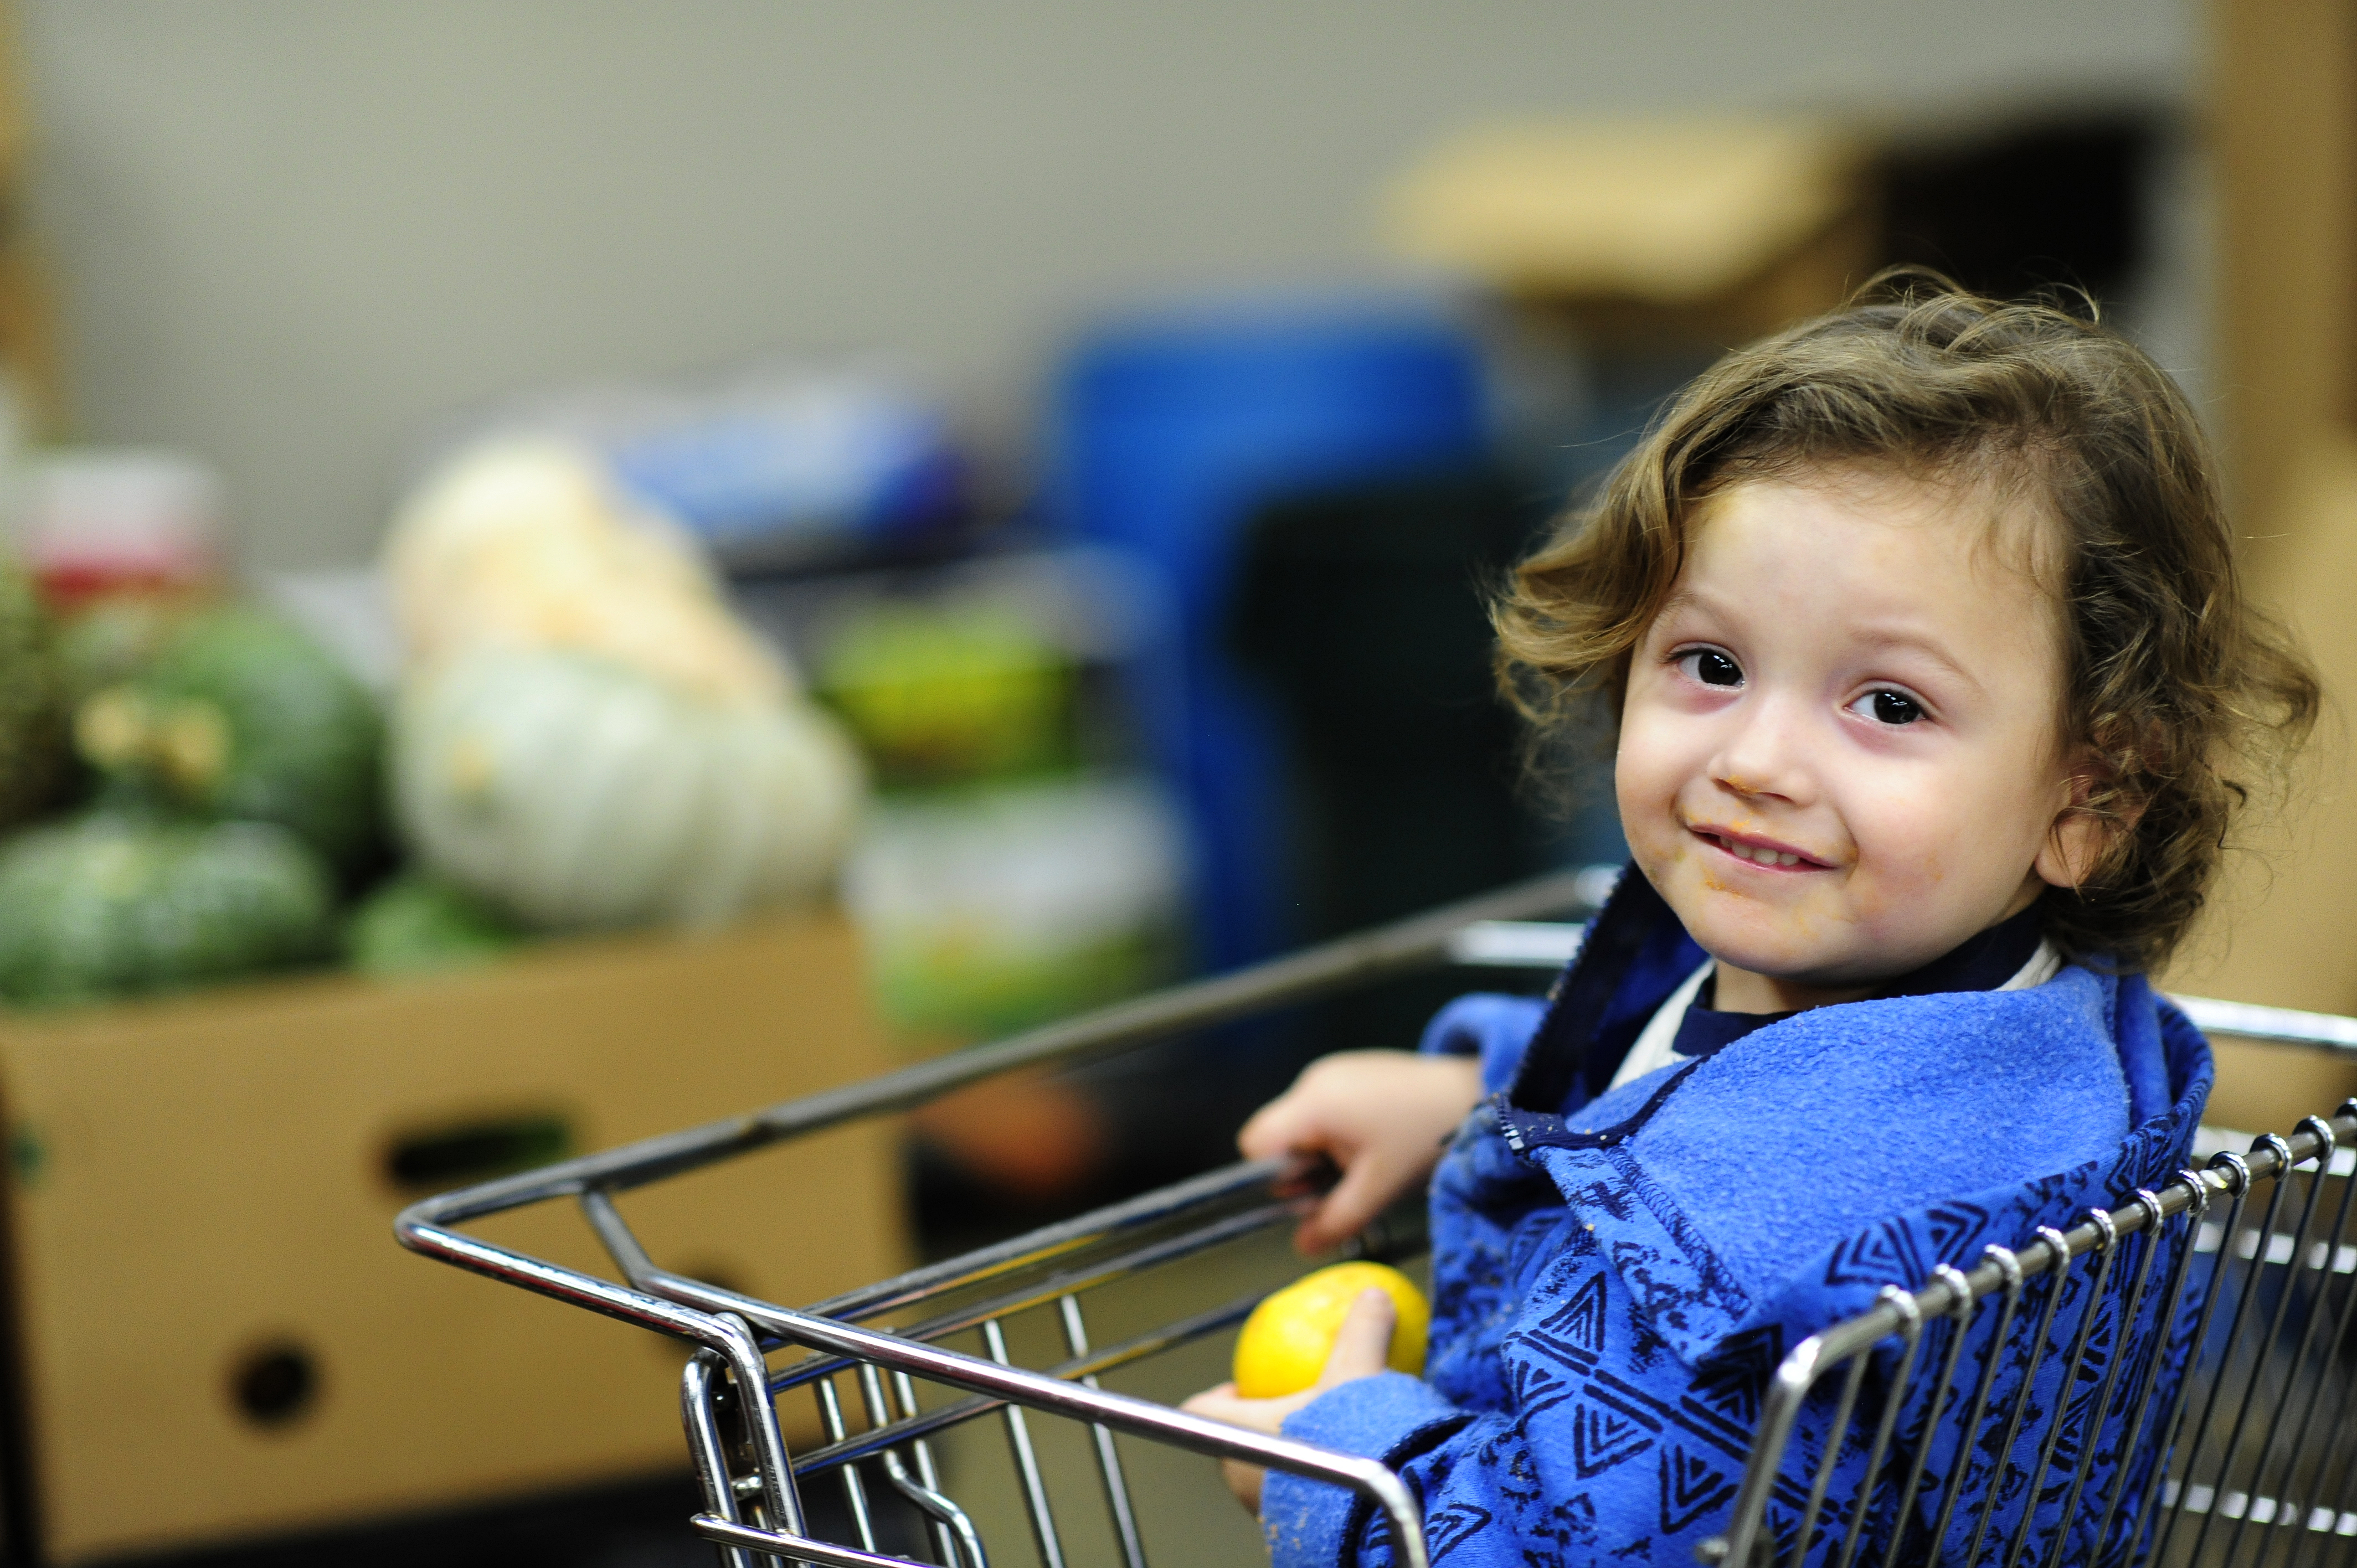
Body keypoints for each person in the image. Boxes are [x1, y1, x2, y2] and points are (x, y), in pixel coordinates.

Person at [1181, 276, 2320, 1567]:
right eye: (1711, 666)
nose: (1758, 760)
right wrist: (1475, 1091)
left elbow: (1565, 1549)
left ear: (2088, 794)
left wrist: (1348, 1458)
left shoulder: (1741, 1265)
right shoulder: (2006, 1018)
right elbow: (1702, 1070)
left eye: (1888, 705)